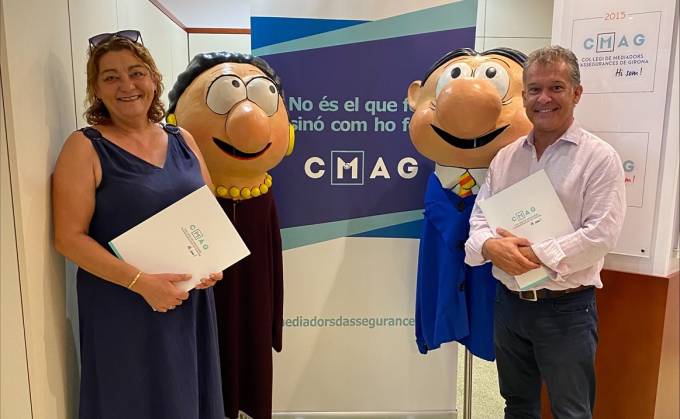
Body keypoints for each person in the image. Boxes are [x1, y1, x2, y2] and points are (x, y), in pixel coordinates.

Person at [52, 30, 225, 419]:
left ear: (153, 79)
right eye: (111, 77)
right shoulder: (85, 147)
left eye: (136, 72)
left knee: (187, 396)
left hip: (188, 301)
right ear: (96, 89)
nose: (127, 86)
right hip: (123, 305)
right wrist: (142, 283)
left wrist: (211, 264)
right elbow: (68, 238)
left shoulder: (182, 139)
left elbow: (208, 211)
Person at [465, 45, 626, 419]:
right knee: (517, 405)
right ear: (524, 96)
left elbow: (601, 235)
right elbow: (479, 219)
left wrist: (532, 256)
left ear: (576, 93)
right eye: (535, 89)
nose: (544, 98)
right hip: (509, 304)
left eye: (556, 87)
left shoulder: (599, 158)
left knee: (571, 411)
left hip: (566, 308)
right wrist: (489, 247)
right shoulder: (506, 158)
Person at [167, 52, 290, 419]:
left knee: (251, 337)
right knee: (208, 345)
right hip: (199, 289)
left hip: (253, 287)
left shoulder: (263, 195)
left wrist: (272, 320)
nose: (249, 119)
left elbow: (272, 265)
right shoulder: (184, 192)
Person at [407, 47, 532, 361]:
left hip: (503, 264)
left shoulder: (518, 190)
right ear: (416, 97)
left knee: (490, 310)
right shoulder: (436, 193)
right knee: (439, 286)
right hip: (444, 220)